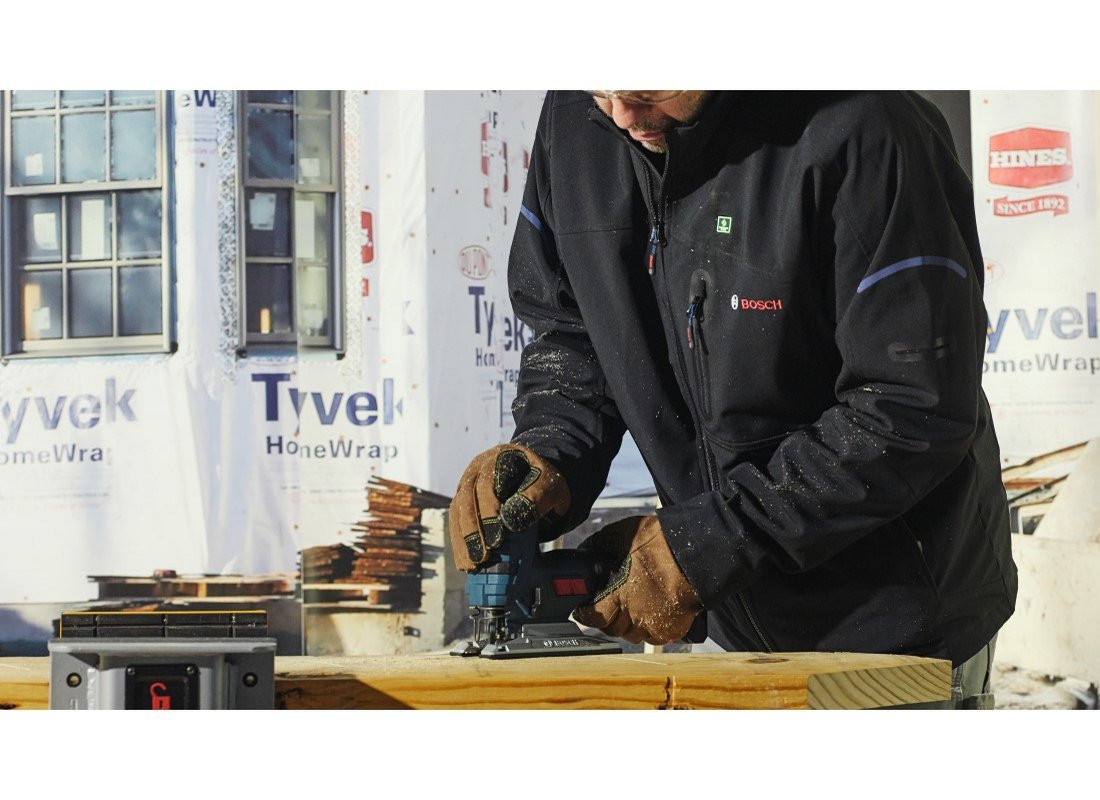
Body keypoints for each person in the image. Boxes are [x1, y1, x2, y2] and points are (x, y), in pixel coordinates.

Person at [448, 90, 1016, 709]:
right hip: (737, 636)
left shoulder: (867, 129)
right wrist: (551, 449)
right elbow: (573, 330)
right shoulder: (575, 119)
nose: (622, 116)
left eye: (650, 89)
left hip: (897, 639)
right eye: (602, 90)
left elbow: (909, 407)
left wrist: (710, 544)